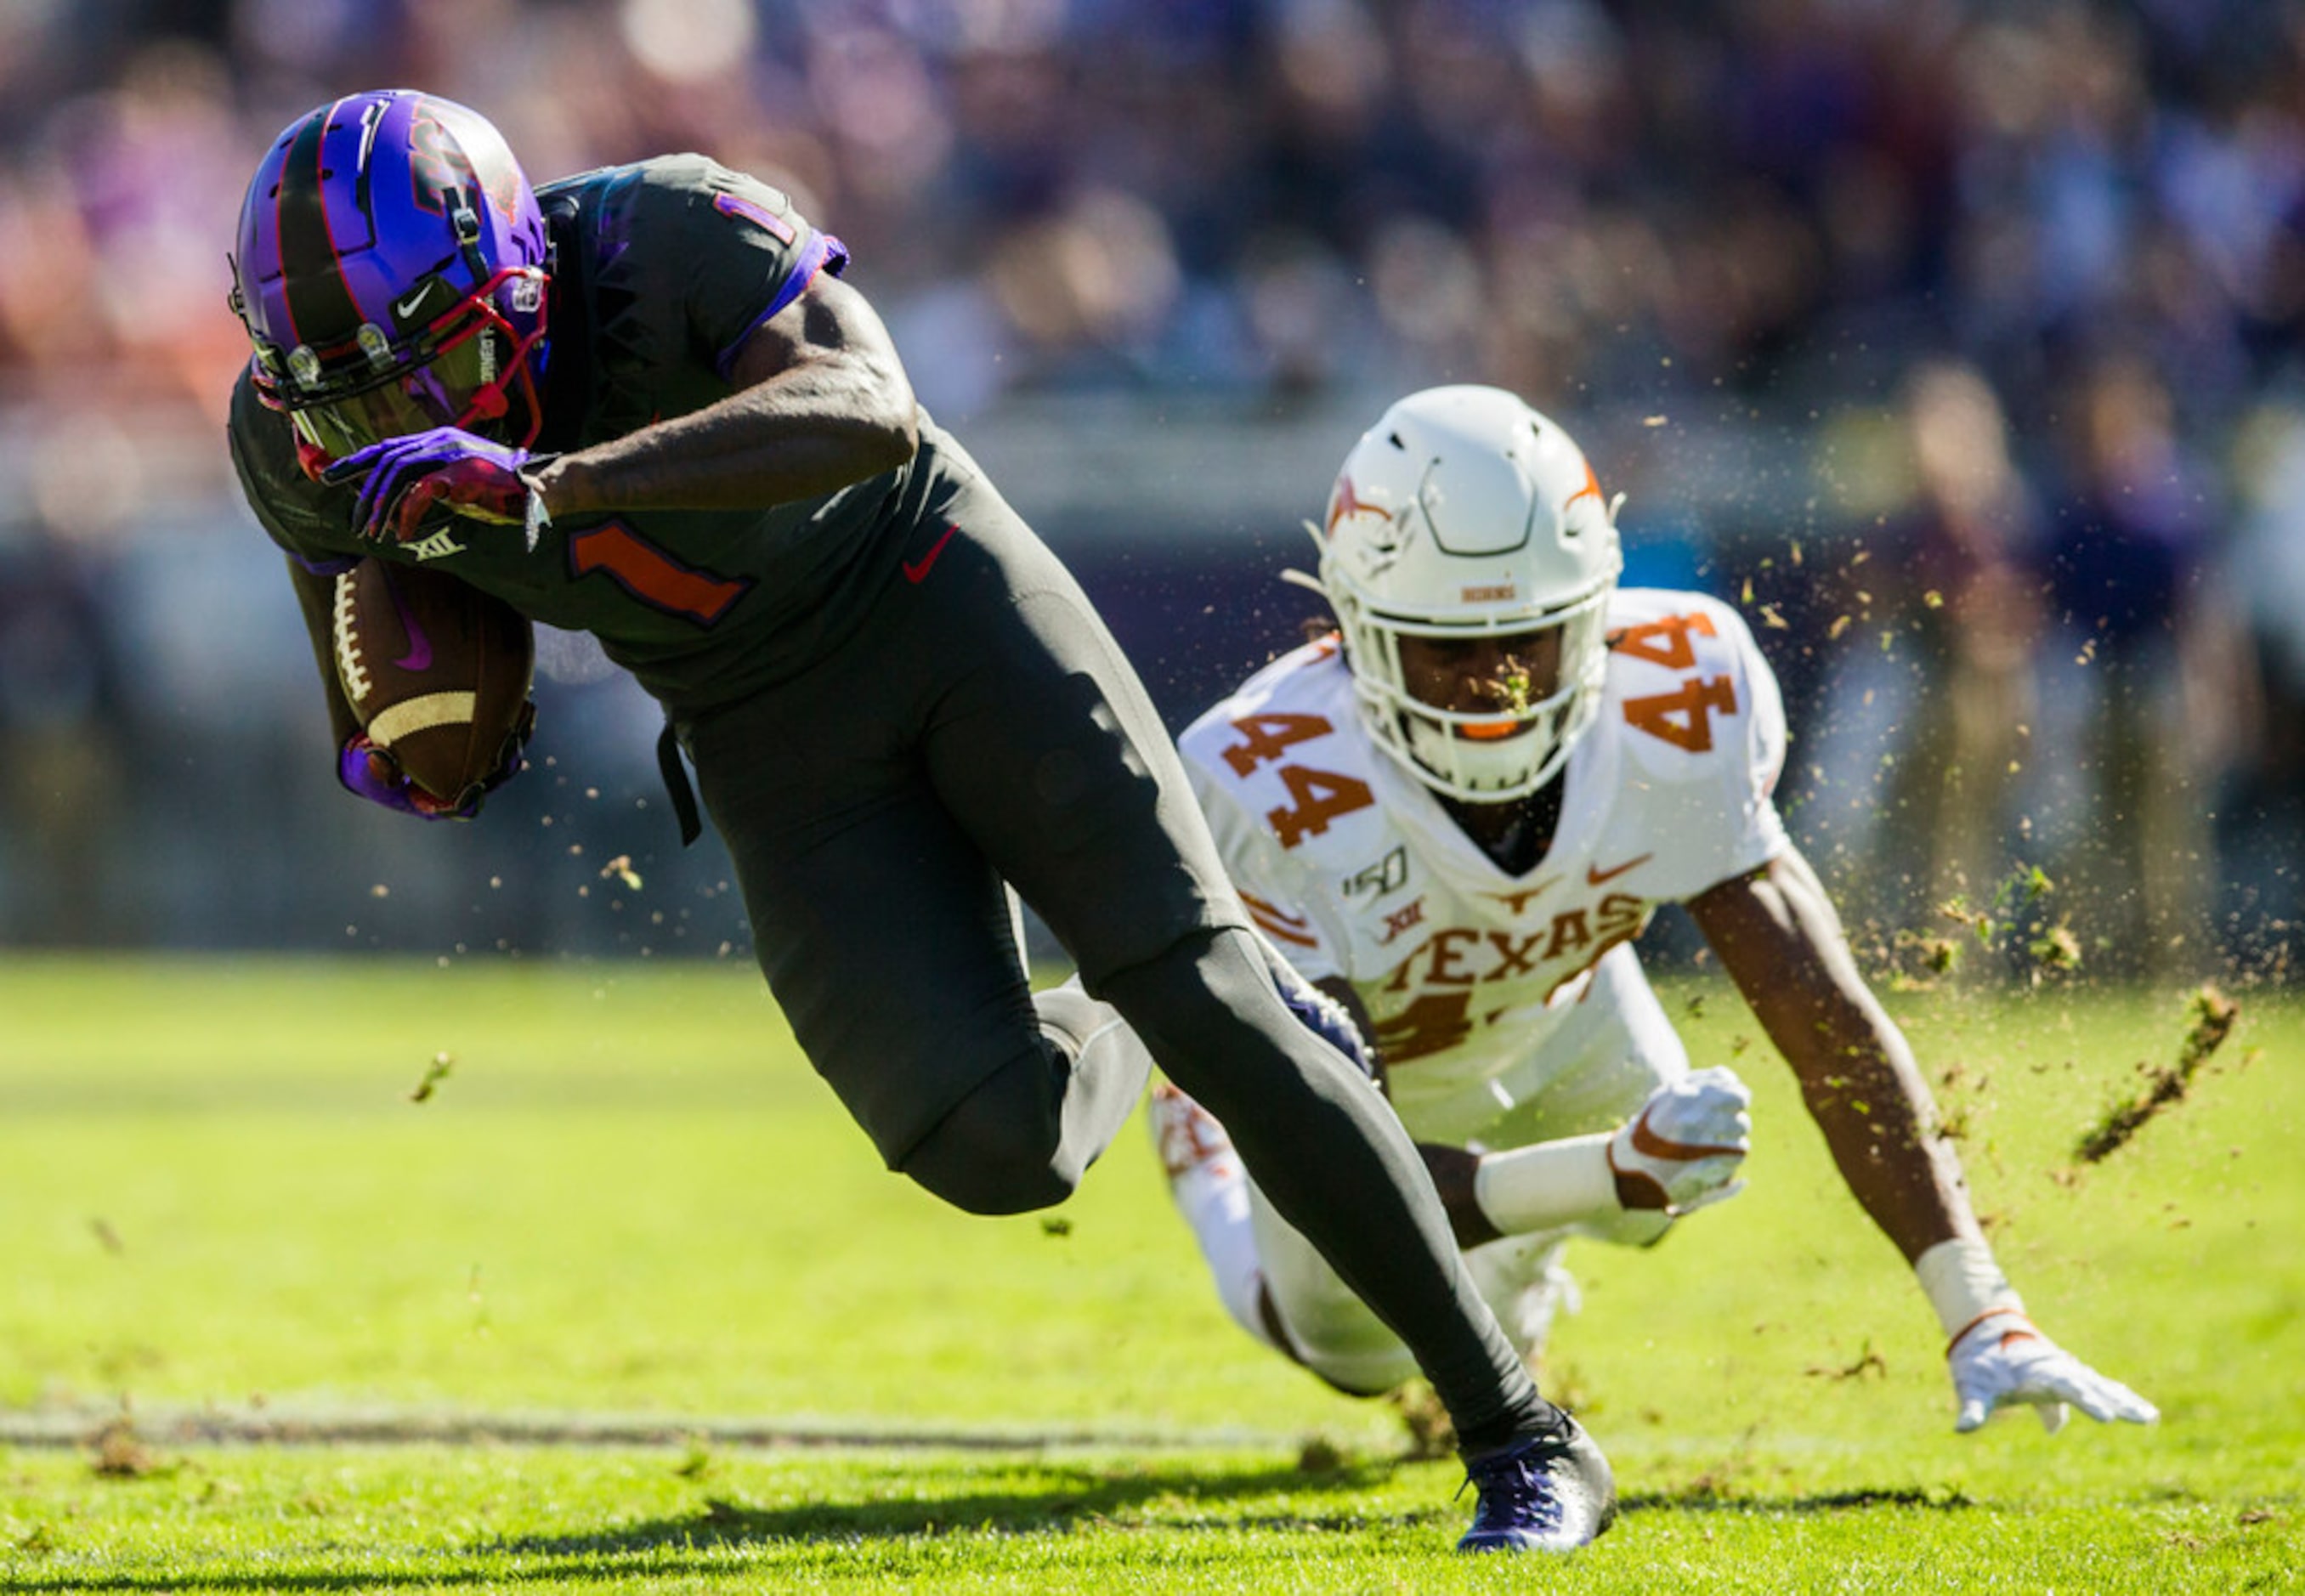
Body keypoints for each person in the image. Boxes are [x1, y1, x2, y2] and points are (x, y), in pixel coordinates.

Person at [222, 92, 1606, 1554]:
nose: (395, 418)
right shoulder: (290, 442)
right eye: (348, 398)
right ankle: (1156, 999)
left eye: (425, 366)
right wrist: (419, 751)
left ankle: (1522, 1432)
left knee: (1202, 993)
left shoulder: (663, 230)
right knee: (995, 1143)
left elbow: (869, 410)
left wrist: (556, 488)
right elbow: (364, 649)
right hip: (759, 725)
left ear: (513, 276)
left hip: (933, 591)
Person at [1146, 384, 2159, 1436]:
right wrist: (1605, 1172)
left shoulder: (1680, 682)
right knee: (1352, 1347)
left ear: (1592, 614)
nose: (1495, 690)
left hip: (1564, 1005)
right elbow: (1353, 1164)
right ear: (1355, 630)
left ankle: (1524, 1257)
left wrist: (1979, 1306)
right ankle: (1205, 1138)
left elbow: (1828, 1026)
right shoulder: (1262, 773)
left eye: (1527, 641)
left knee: (1679, 1195)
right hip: (1370, 1095)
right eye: (1447, 650)